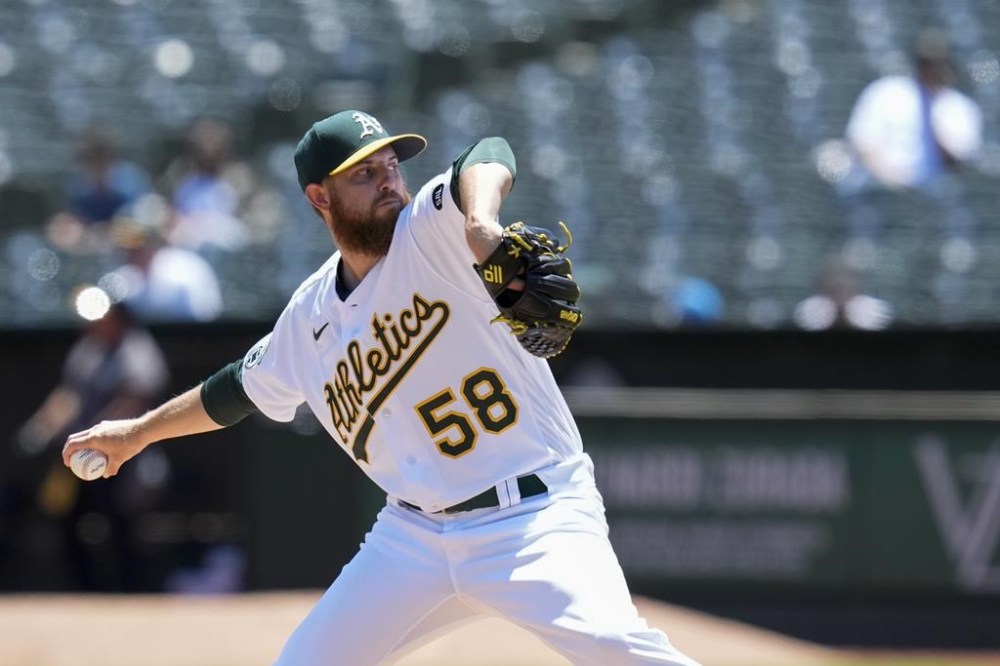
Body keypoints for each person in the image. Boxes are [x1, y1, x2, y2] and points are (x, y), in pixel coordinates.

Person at [62, 110, 699, 665]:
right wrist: (136, 433)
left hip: (533, 516)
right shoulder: (309, 317)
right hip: (412, 539)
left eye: (391, 164)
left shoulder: (433, 231)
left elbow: (489, 152)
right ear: (320, 198)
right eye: (363, 174)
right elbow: (233, 392)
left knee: (619, 649)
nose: (389, 179)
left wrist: (481, 225)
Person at [9, 302, 170, 590]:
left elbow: (138, 397)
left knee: (123, 522)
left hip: (125, 456)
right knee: (65, 517)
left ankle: (129, 590)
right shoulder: (87, 349)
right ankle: (84, 589)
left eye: (101, 318)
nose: (93, 324)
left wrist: (99, 435)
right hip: (80, 455)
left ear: (117, 318)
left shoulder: (137, 349)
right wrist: (42, 426)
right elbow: (67, 396)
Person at [843, 28, 982, 192]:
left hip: (939, 193)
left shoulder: (959, 107)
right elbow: (863, 142)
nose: (932, 70)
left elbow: (963, 158)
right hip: (883, 187)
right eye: (927, 63)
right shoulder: (886, 92)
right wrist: (890, 178)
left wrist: (935, 129)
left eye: (938, 64)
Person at [793, 260, 893, 331]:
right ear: (821, 287)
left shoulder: (876, 315)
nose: (839, 282)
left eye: (846, 281)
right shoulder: (808, 315)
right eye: (834, 289)